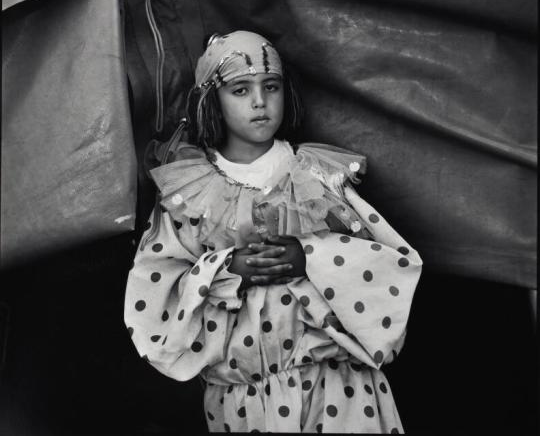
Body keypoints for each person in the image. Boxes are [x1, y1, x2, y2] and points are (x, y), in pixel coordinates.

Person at [124, 30, 422, 433]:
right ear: (213, 99)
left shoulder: (317, 175)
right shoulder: (186, 193)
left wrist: (311, 259)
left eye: (271, 86)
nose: (260, 102)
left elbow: (390, 266)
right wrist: (227, 269)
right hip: (245, 403)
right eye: (240, 90)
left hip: (338, 388)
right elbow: (155, 291)